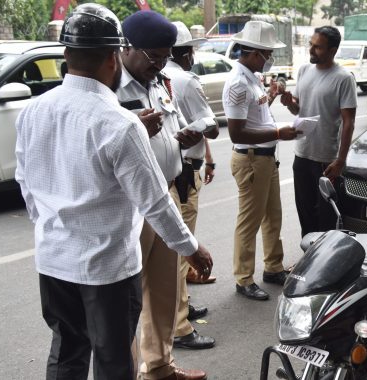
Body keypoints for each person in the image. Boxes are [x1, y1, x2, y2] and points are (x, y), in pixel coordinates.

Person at [14, 4, 213, 380]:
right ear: (113, 57)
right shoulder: (120, 123)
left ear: (66, 55)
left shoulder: (34, 110)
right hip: (106, 269)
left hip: (54, 261)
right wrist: (191, 248)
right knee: (113, 361)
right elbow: (154, 200)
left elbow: (27, 184)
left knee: (67, 352)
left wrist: (53, 229)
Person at [117, 10, 212, 380]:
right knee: (127, 297)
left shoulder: (161, 81)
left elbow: (167, 131)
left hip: (167, 191)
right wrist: (135, 126)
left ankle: (159, 365)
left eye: (164, 56)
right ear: (127, 48)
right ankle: (125, 370)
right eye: (153, 56)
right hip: (133, 203)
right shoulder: (111, 86)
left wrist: (183, 138)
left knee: (164, 289)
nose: (159, 64)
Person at [222, 21, 301, 301]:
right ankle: (244, 279)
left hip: (265, 159)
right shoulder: (238, 83)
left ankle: (273, 267)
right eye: (267, 54)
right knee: (250, 221)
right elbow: (237, 131)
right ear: (254, 53)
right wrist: (279, 131)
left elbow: (255, 112)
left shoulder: (251, 78)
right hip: (252, 160)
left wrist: (271, 95)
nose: (269, 59)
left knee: (273, 217)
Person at [162, 21, 219, 350]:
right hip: (183, 170)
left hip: (181, 165)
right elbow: (208, 126)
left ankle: (182, 307)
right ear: (182, 53)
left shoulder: (161, 79)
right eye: (191, 51)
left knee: (180, 244)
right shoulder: (183, 79)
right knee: (182, 245)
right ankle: (180, 323)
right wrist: (207, 138)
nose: (194, 56)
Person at [280, 26, 357, 237]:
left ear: (333, 50)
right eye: (311, 45)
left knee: (326, 219)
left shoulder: (343, 78)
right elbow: (299, 109)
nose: (311, 50)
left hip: (327, 162)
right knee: (305, 215)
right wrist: (289, 103)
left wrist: (340, 161)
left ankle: (326, 264)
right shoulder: (304, 70)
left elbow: (348, 122)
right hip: (302, 155)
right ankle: (309, 261)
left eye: (318, 47)